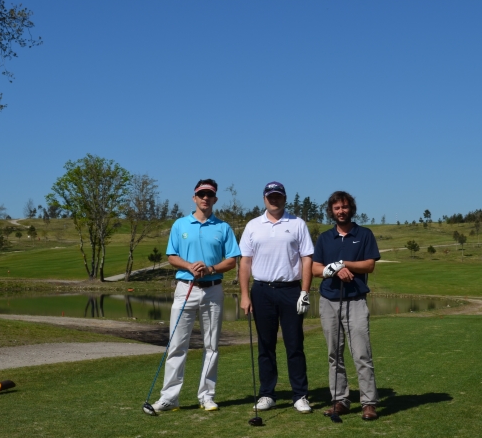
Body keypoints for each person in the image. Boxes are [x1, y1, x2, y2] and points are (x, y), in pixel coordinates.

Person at [151, 179, 241, 412]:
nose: (205, 198)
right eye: (201, 194)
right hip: (185, 288)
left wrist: (210, 268)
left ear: (215, 199)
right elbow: (172, 256)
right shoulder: (180, 225)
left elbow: (232, 260)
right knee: (177, 345)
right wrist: (190, 266)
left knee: (211, 346)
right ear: (194, 198)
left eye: (209, 195)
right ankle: (170, 397)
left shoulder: (223, 228)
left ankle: (207, 396)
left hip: (213, 289)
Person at [239, 181, 315, 413]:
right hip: (261, 290)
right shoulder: (253, 226)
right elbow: (245, 262)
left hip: (290, 290)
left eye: (278, 196)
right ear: (264, 199)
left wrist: (304, 291)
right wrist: (244, 295)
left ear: (284, 198)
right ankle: (267, 394)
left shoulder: (297, 224)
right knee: (265, 344)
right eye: (270, 196)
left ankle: (300, 395)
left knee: (294, 344)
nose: (274, 200)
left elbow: (307, 259)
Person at [312, 191, 381, 421]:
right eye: (336, 208)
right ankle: (340, 399)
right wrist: (332, 269)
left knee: (361, 353)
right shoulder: (324, 238)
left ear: (351, 208)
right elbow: (314, 269)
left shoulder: (364, 234)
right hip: (329, 301)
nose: (341, 211)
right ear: (331, 211)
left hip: (356, 301)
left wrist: (344, 264)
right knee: (334, 354)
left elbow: (369, 265)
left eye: (344, 207)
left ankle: (368, 402)